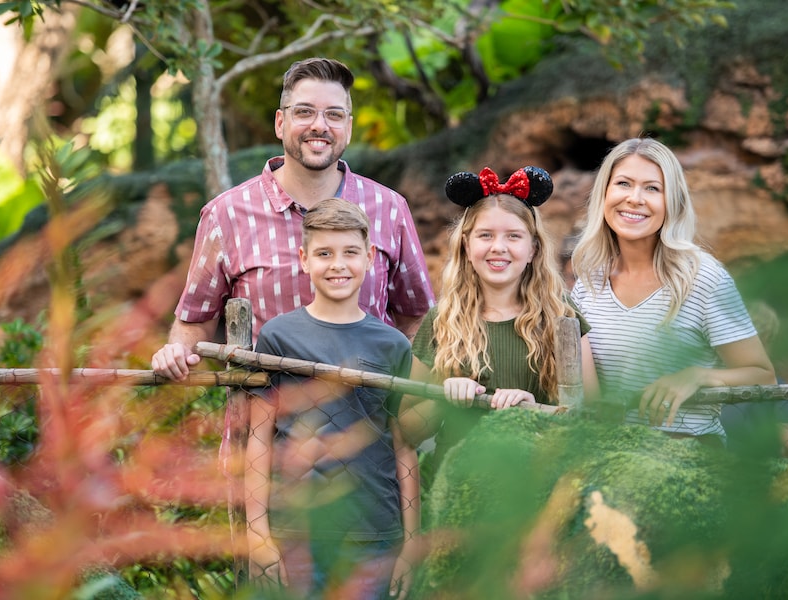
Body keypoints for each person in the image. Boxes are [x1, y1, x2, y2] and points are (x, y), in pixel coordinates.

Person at [150, 57, 434, 594]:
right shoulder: (227, 215)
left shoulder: (389, 209)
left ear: (349, 125)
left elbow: (414, 316)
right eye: (305, 112)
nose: (319, 125)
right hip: (267, 469)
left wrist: (413, 415)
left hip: (370, 469)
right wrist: (174, 354)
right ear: (281, 123)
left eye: (334, 114)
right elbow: (193, 322)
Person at [244, 199, 413, 599]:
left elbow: (404, 447)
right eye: (324, 253)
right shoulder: (277, 337)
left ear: (370, 257)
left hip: (374, 532)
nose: (338, 264)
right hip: (297, 531)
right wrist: (258, 536)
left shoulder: (391, 343)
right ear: (304, 259)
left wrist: (410, 542)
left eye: (350, 252)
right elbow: (259, 438)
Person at [570, 137, 776, 442]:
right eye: (623, 184)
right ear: (604, 193)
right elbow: (586, 398)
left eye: (652, 188)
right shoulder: (588, 283)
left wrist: (699, 376)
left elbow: (763, 377)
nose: (635, 199)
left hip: (691, 458)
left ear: (672, 202)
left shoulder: (704, 278)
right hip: (608, 457)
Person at [399, 166, 599, 464]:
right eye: (485, 235)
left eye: (513, 236)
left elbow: (592, 418)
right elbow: (407, 430)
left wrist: (534, 412)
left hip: (538, 485)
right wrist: (443, 396)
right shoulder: (442, 321)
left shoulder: (561, 315)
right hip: (457, 488)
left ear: (533, 248)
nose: (498, 247)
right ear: (466, 245)